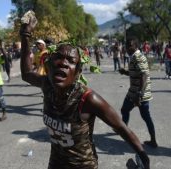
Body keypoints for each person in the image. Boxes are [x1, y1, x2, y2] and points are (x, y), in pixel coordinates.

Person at [19, 14, 150, 169]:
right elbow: (27, 73)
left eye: (71, 61)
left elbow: (121, 127)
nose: (63, 63)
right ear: (50, 65)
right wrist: (25, 35)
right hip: (55, 163)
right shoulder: (47, 85)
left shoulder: (87, 98)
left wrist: (143, 157)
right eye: (59, 58)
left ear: (78, 73)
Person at [119, 37, 158, 148]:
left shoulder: (137, 57)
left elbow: (144, 75)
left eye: (130, 45)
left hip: (137, 93)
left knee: (125, 110)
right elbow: (136, 73)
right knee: (145, 116)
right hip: (138, 92)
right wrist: (125, 72)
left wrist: (139, 94)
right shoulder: (135, 56)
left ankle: (124, 132)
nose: (127, 48)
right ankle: (153, 141)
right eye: (126, 45)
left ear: (136, 46)